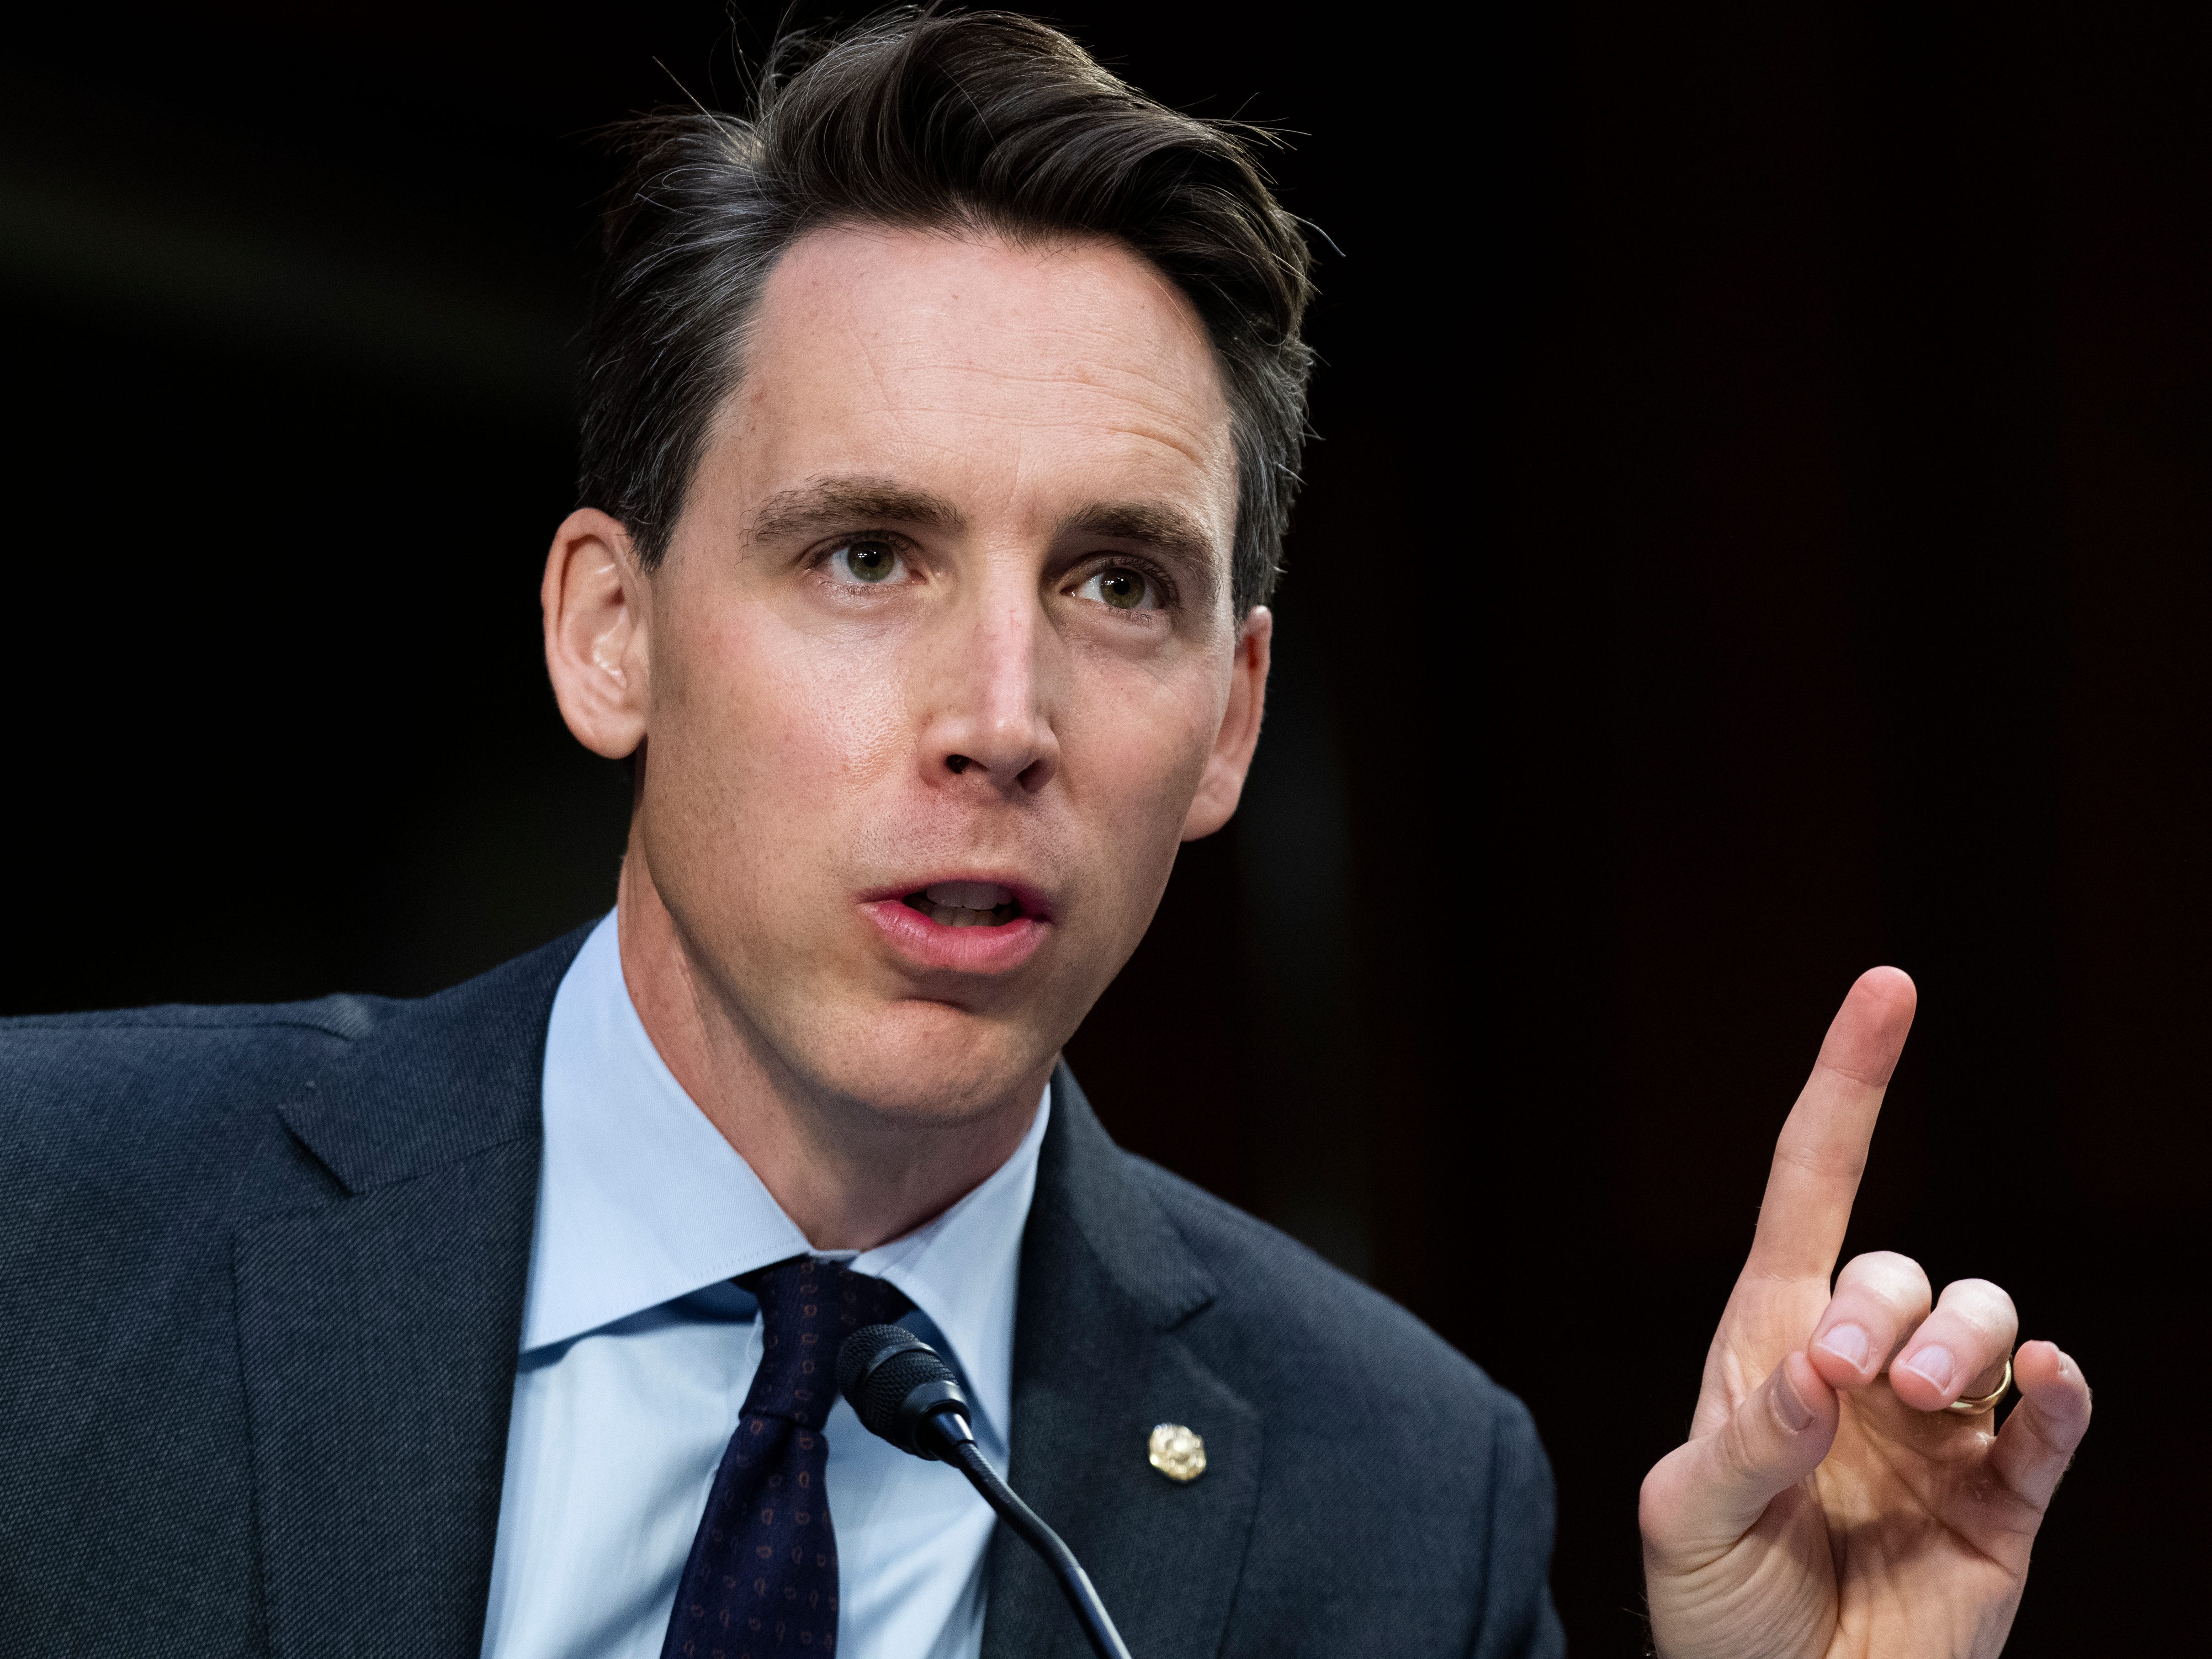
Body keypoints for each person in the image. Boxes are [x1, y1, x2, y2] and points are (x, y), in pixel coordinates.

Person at [0, 11, 2088, 1658]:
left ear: (1228, 722)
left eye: (1114, 584)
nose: (1002, 721)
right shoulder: (48, 1217)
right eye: (865, 555)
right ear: (609, 632)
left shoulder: (1397, 1501)